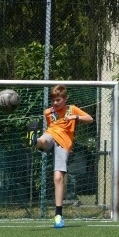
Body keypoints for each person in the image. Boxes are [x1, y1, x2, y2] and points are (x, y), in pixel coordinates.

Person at [29, 84, 94, 228]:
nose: (55, 103)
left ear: (65, 99)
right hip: (51, 135)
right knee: (44, 140)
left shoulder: (72, 109)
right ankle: (34, 140)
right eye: (53, 100)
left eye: (58, 100)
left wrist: (75, 118)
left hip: (64, 144)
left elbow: (90, 119)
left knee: (58, 178)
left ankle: (58, 216)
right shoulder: (48, 112)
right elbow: (50, 127)